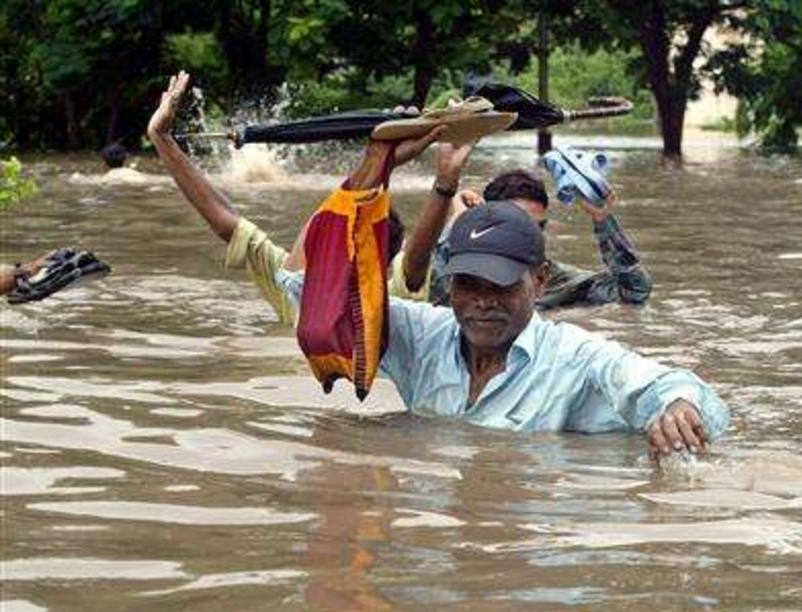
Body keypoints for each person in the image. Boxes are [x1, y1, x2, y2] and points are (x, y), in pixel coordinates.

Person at [149, 72, 728, 459]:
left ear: (539, 280)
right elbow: (319, 301)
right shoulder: (422, 333)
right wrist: (377, 164)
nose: (481, 301)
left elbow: (672, 383)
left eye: (501, 285)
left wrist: (677, 407)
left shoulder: (574, 356)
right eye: (468, 284)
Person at [147, 71, 473, 327]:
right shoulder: (296, 285)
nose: (318, 243)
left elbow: (418, 256)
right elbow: (223, 218)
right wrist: (160, 138)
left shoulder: (392, 298)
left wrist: (448, 184)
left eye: (327, 238)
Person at [395, 168, 653, 309]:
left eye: (538, 227)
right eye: (518, 225)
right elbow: (442, 299)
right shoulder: (459, 270)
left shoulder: (550, 278)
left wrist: (602, 220)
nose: (531, 236)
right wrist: (459, 222)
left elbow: (635, 291)